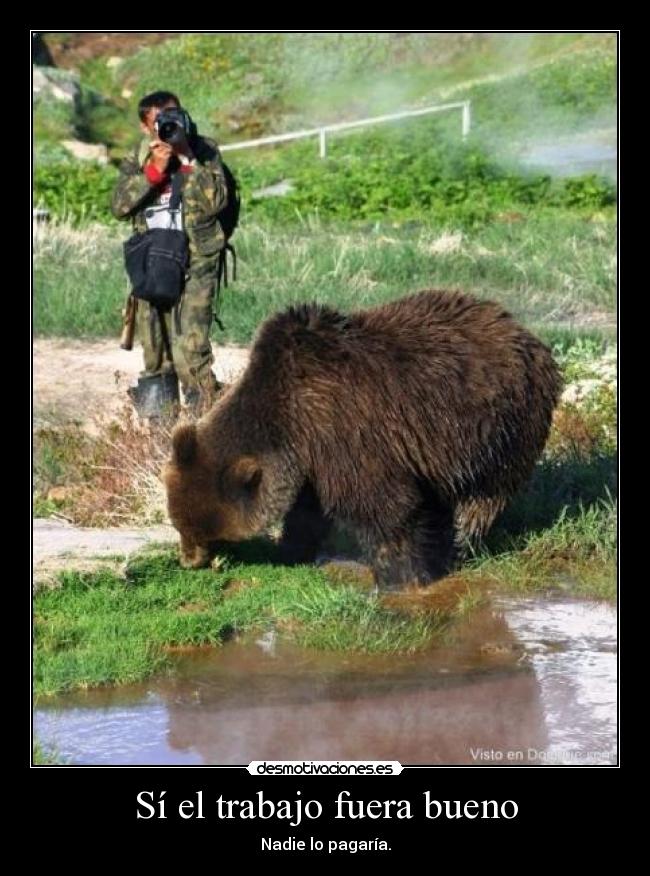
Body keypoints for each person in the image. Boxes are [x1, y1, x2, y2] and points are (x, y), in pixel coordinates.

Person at [112, 90, 228, 416]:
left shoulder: (204, 150)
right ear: (145, 127)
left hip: (197, 259)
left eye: (174, 116)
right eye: (159, 122)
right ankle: (158, 437)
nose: (169, 125)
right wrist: (154, 171)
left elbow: (217, 201)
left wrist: (189, 158)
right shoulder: (139, 156)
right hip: (152, 259)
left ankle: (206, 431)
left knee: (190, 350)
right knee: (155, 351)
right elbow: (119, 207)